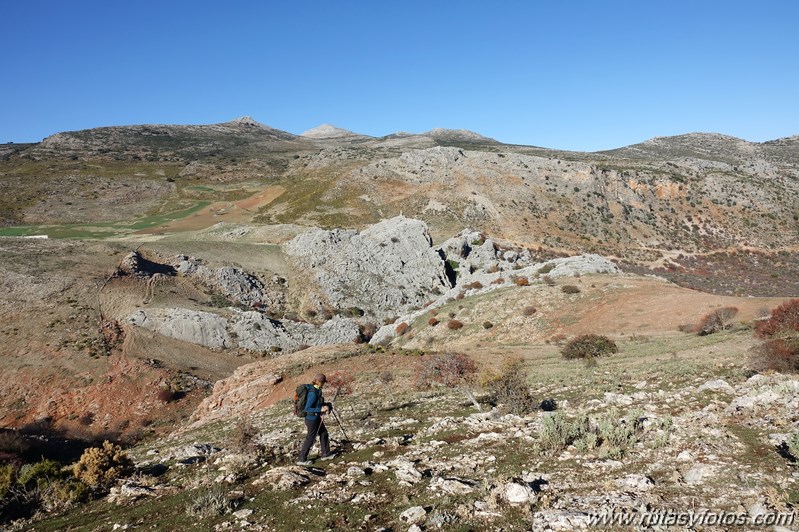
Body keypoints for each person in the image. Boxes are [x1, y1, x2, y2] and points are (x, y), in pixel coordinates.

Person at [297, 373, 336, 465]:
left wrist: (325, 405)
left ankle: (325, 454)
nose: (324, 384)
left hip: (315, 417)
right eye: (323, 382)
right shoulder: (313, 393)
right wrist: (320, 409)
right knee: (311, 438)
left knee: (324, 433)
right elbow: (307, 408)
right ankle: (301, 459)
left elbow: (317, 404)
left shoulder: (317, 390)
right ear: (319, 382)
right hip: (311, 419)